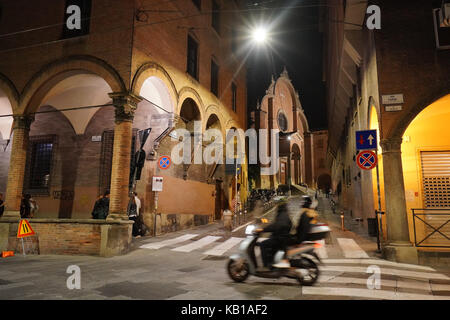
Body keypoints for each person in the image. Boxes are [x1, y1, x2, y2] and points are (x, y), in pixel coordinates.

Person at [255, 203, 292, 271]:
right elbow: (276, 225)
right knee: (268, 241)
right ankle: (271, 261)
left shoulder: (282, 216)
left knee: (263, 244)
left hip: (280, 239)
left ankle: (266, 266)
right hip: (282, 237)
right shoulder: (284, 214)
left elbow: (276, 226)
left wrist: (263, 230)